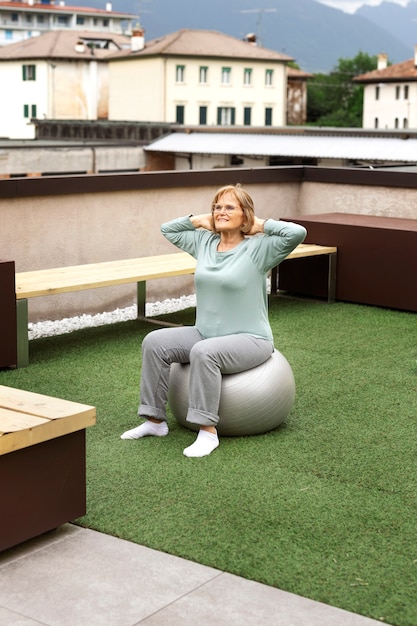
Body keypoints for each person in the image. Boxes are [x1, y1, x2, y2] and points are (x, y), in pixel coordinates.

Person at [121, 184, 306, 457]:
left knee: (204, 353)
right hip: (205, 332)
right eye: (217, 207)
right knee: (154, 342)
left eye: (229, 207)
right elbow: (168, 229)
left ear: (245, 215)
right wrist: (197, 220)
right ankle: (154, 421)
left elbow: (297, 233)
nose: (220, 212)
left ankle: (207, 432)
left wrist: (259, 225)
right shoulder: (204, 243)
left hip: (251, 338)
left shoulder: (260, 250)